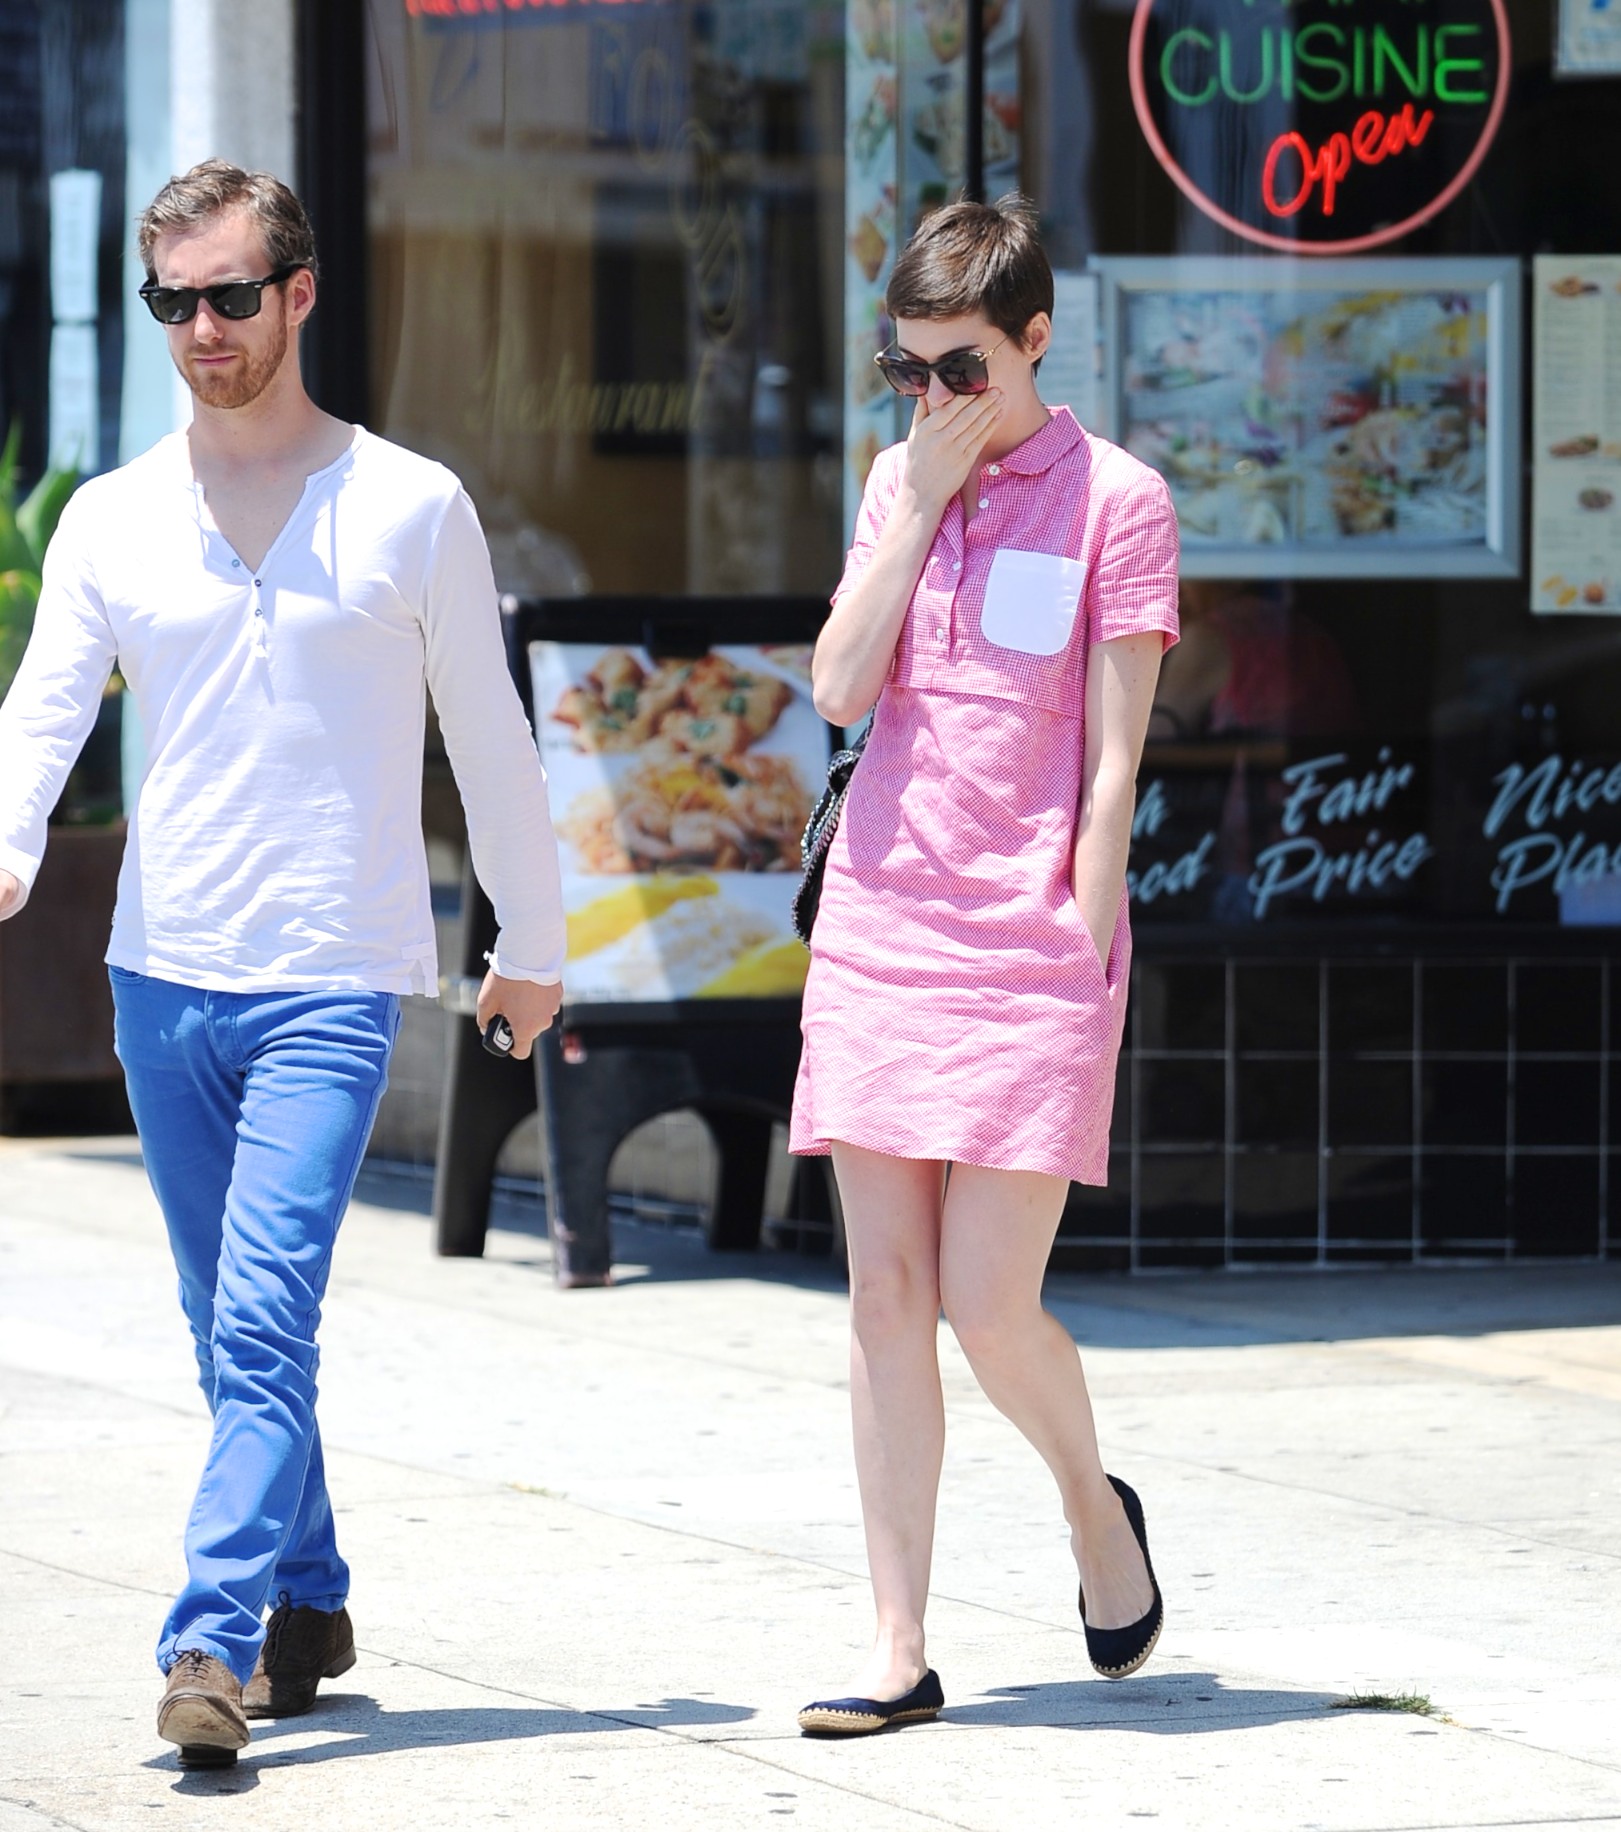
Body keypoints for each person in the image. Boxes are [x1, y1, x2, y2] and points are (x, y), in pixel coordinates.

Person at [0, 161, 566, 1768]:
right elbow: (44, 708)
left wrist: (532, 940)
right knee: (221, 1321)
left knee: (259, 1322)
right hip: (159, 975)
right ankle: (311, 1593)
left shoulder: (410, 503)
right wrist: (11, 837)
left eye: (231, 297)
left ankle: (213, 1636)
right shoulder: (115, 514)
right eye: (171, 302)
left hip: (331, 974)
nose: (202, 331)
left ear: (300, 294)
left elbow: (493, 737)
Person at [789, 196, 1177, 1736]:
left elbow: (1114, 760)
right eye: (908, 370)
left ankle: (1094, 1514)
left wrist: (1082, 924)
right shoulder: (901, 475)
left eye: (964, 371)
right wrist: (916, 506)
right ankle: (898, 1647)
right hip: (883, 922)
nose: (935, 399)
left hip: (1027, 935)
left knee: (985, 1304)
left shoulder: (1118, 499)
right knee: (883, 1295)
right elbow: (834, 684)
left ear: (1033, 340)